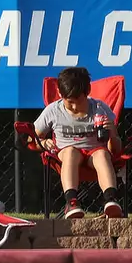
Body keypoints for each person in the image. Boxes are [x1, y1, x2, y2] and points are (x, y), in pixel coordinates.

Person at [33, 66, 126, 220]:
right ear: (60, 94)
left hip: (94, 154)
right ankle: (71, 202)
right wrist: (43, 142)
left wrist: (112, 134)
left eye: (79, 101)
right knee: (71, 152)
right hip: (66, 154)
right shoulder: (53, 111)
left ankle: (110, 199)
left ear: (87, 92)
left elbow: (115, 150)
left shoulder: (100, 108)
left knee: (102, 154)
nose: (75, 107)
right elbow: (31, 139)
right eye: (70, 102)